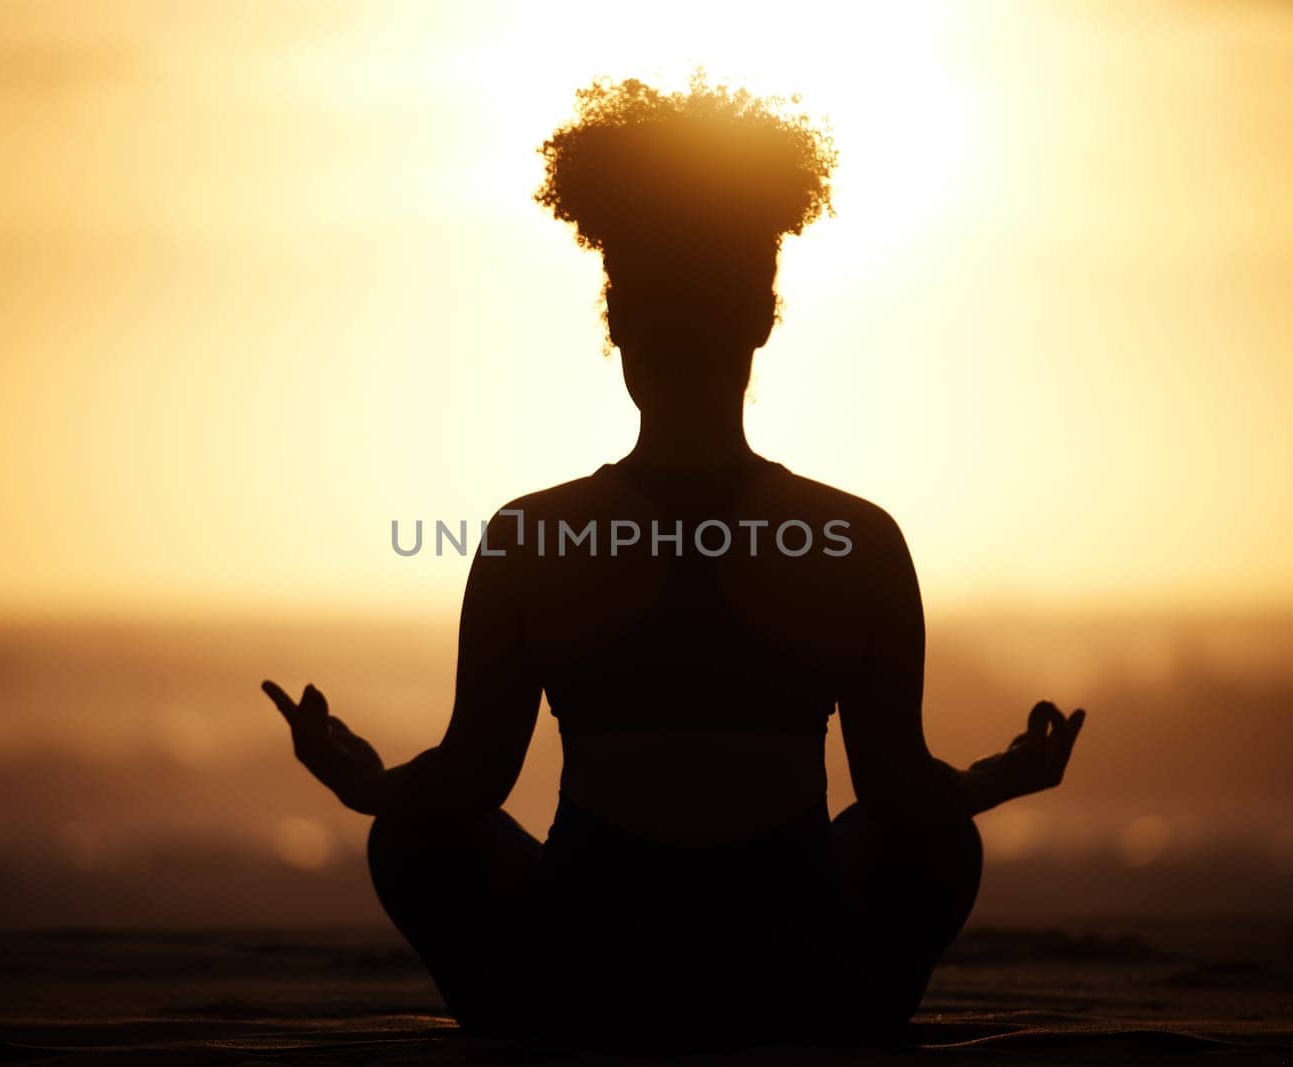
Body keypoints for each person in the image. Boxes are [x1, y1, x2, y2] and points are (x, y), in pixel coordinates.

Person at [262, 75, 1085, 1051]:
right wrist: (997, 778)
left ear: (616, 329)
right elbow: (902, 791)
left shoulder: (532, 535)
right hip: (796, 967)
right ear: (760, 320)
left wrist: (367, 785)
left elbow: (468, 785)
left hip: (582, 964)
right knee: (940, 834)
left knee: (408, 836)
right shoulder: (854, 537)